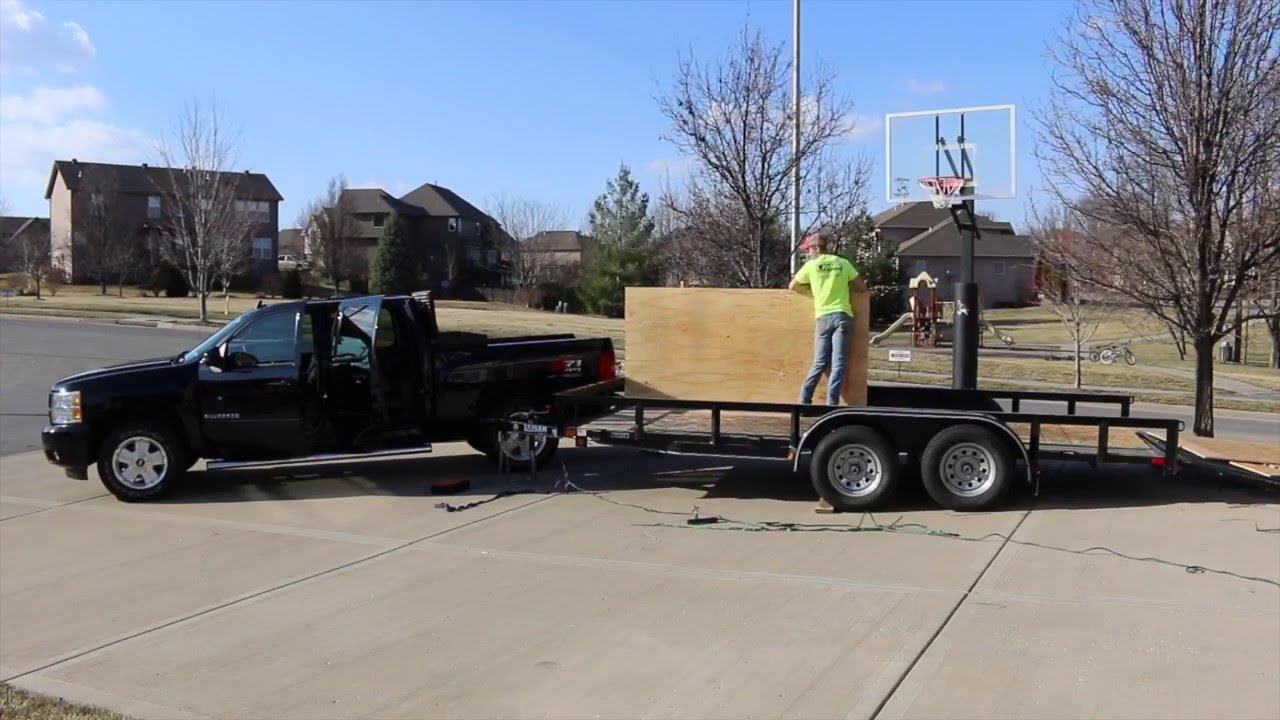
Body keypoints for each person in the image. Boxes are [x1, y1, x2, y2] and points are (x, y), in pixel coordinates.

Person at [789, 232, 865, 405]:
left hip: (823, 317)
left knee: (820, 362)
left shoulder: (811, 266)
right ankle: (831, 404)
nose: (808, 253)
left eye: (808, 250)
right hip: (843, 316)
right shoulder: (843, 263)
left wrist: (813, 294)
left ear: (816, 248)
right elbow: (861, 287)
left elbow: (793, 286)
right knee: (838, 363)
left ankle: (805, 399)